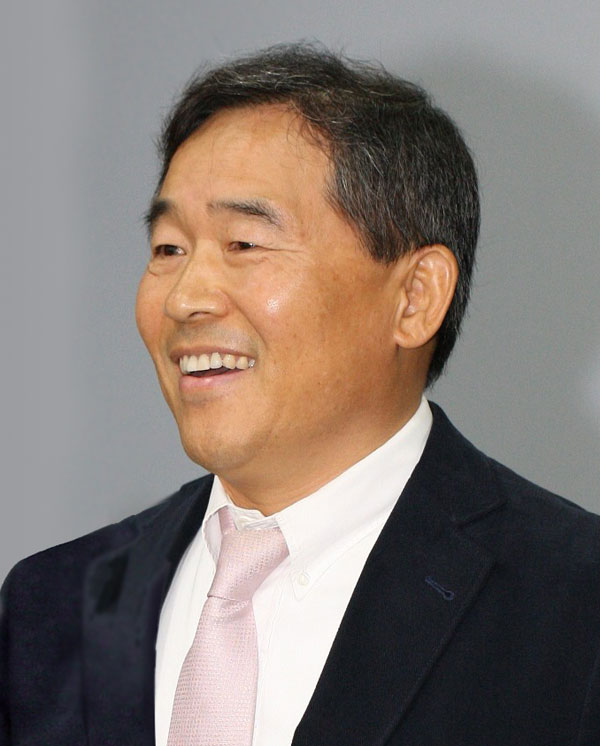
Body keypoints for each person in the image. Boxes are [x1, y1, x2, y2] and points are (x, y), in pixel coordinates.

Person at [1, 43, 599, 746]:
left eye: (245, 244)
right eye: (168, 249)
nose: (185, 297)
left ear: (414, 298)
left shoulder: (573, 606)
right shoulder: (50, 605)